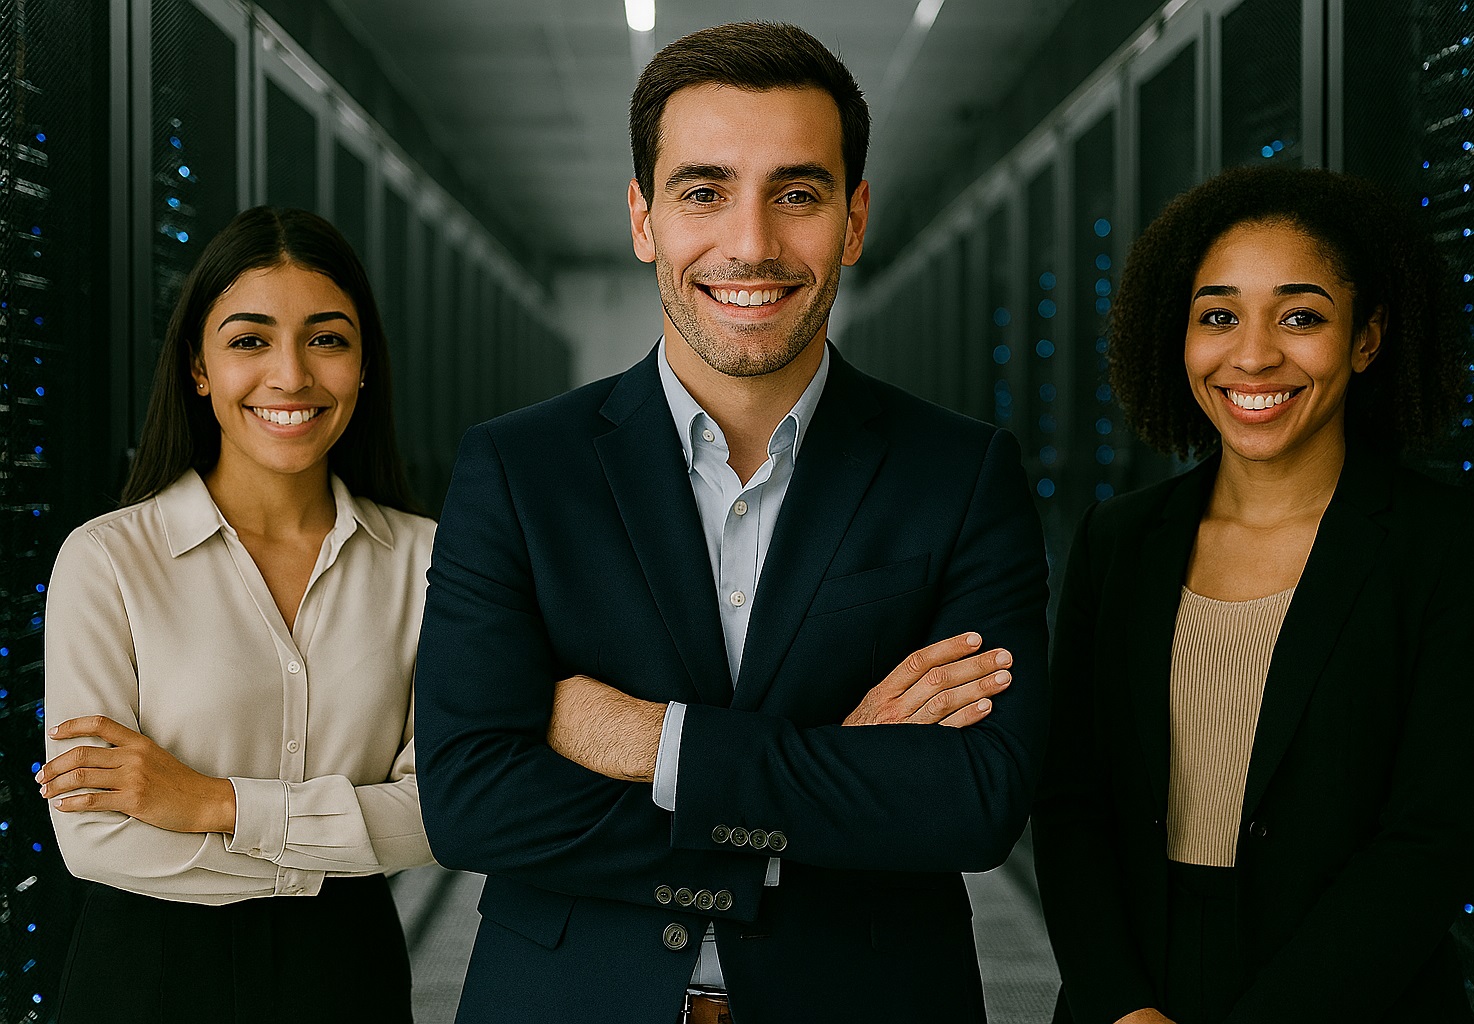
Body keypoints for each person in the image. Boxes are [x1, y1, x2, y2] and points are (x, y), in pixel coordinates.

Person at [414, 21, 1050, 1024]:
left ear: (853, 218)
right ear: (642, 218)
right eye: (704, 190)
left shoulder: (960, 474)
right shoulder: (519, 468)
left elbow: (975, 800)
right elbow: (470, 800)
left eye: (797, 193)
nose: (750, 243)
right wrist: (825, 779)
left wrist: (655, 741)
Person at [1032, 164, 1474, 1024]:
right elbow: (1072, 803)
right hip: (1136, 992)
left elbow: (1430, 841)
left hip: (1352, 997)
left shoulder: (1449, 550)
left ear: (1366, 339)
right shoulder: (1121, 541)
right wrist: (1121, 1006)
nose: (1253, 355)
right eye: (1217, 316)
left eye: (1301, 316)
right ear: (1176, 337)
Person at [39, 207, 435, 1023]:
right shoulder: (108, 560)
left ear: (364, 367)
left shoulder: (429, 563)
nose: (290, 376)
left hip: (347, 980)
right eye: (249, 341)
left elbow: (445, 814)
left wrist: (212, 803)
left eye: (326, 339)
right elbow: (95, 838)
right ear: (198, 367)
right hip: (144, 980)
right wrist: (335, 848)